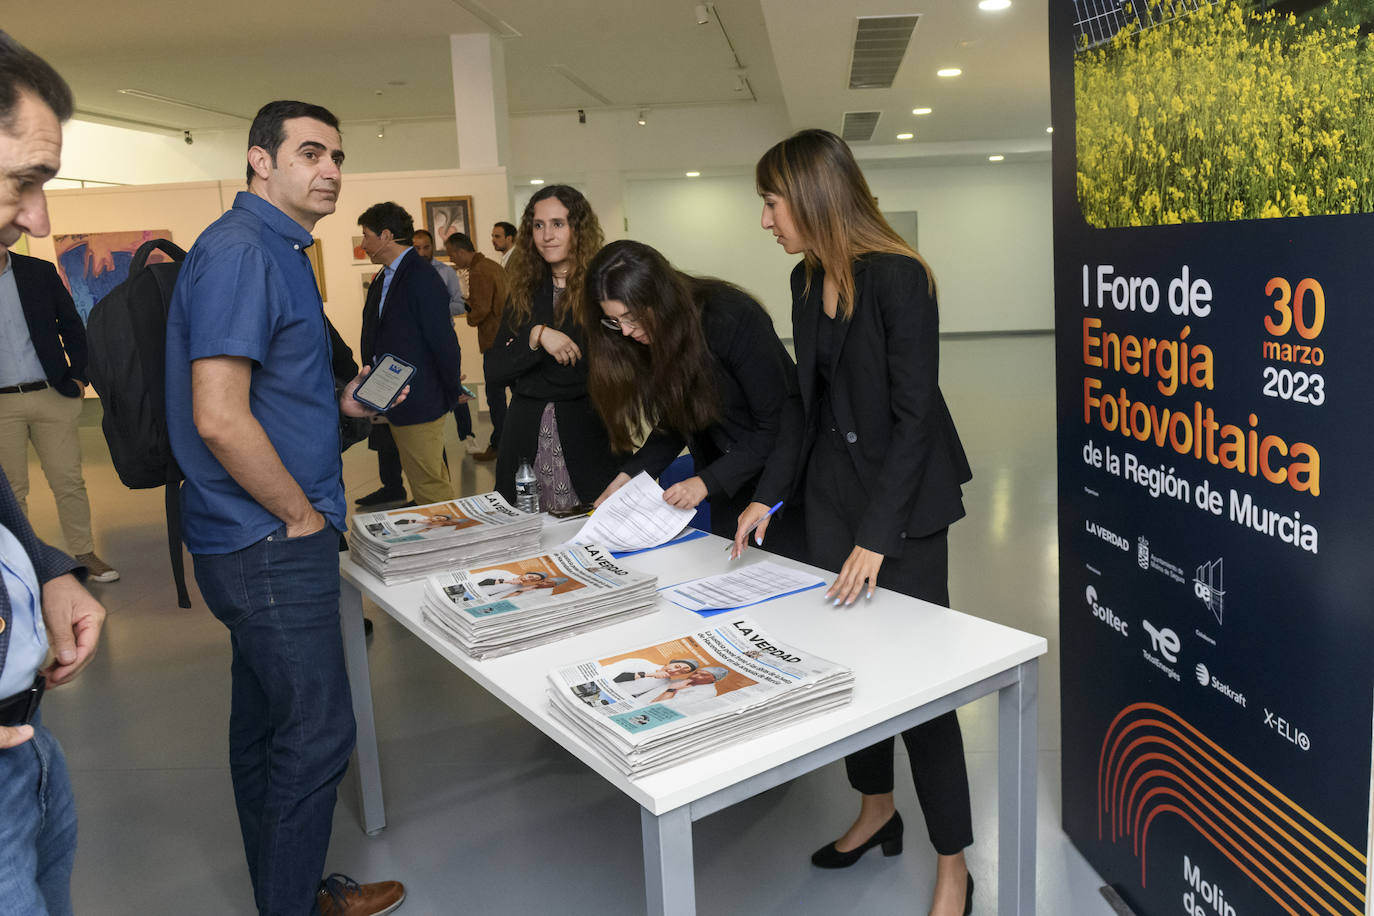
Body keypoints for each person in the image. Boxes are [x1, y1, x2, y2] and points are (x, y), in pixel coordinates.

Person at [165, 99, 405, 916]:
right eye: (310, 152)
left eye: (337, 155)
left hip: (253, 537)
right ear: (260, 161)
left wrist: (342, 406)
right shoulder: (242, 252)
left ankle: (292, 893)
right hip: (269, 540)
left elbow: (264, 396)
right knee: (317, 732)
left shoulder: (275, 250)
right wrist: (301, 517)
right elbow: (219, 414)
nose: (331, 169)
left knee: (267, 731)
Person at [734, 128, 975, 916]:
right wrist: (770, 496)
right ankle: (877, 810)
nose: (766, 219)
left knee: (923, 691)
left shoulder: (902, 280)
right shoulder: (808, 283)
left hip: (900, 510)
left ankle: (953, 866)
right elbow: (804, 407)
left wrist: (879, 535)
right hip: (832, 501)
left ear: (810, 195)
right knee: (855, 675)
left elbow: (913, 421)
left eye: (771, 202)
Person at [0, 30, 108, 915]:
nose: (38, 217)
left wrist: (47, 571)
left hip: (24, 737)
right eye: (23, 181)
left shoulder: (26, 273)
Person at [582, 240, 804, 549]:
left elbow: (778, 424)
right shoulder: (652, 334)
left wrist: (705, 482)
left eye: (631, 317)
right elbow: (677, 418)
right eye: (615, 321)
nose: (626, 331)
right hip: (728, 484)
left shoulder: (730, 316)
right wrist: (632, 476)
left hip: (782, 486)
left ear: (659, 295)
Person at [485, 185, 617, 511]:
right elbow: (494, 370)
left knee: (588, 542)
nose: (547, 235)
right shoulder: (525, 289)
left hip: (586, 436)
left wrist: (529, 371)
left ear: (578, 229)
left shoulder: (602, 288)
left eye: (558, 224)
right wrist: (537, 335)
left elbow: (583, 375)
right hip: (524, 437)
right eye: (539, 225)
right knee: (525, 542)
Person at [0, 242, 119, 581]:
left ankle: (85, 554)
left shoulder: (37, 271)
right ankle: (20, 568)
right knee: (10, 492)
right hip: (1, 404)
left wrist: (80, 375)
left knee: (68, 482)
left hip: (51, 394)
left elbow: (71, 323)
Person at [359, 201, 464, 507]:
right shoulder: (386, 275)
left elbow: (443, 339)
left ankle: (447, 546)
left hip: (419, 396)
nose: (363, 244)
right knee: (427, 478)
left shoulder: (420, 276)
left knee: (430, 485)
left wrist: (450, 390)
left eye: (366, 236)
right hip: (395, 394)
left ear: (387, 236)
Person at [412, 228, 479, 455]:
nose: (422, 252)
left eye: (426, 247)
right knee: (426, 390)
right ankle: (432, 444)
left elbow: (460, 305)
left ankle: (467, 435)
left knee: (455, 386)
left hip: (445, 340)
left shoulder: (446, 273)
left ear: (433, 247)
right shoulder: (406, 274)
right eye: (417, 247)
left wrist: (433, 309)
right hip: (418, 344)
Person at [445, 232, 509, 462]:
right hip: (506, 338)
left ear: (462, 251)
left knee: (495, 397)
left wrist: (469, 314)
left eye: (452, 254)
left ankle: (500, 444)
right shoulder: (492, 266)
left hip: (494, 340)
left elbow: (481, 309)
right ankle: (506, 443)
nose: (452, 260)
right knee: (502, 394)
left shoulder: (479, 270)